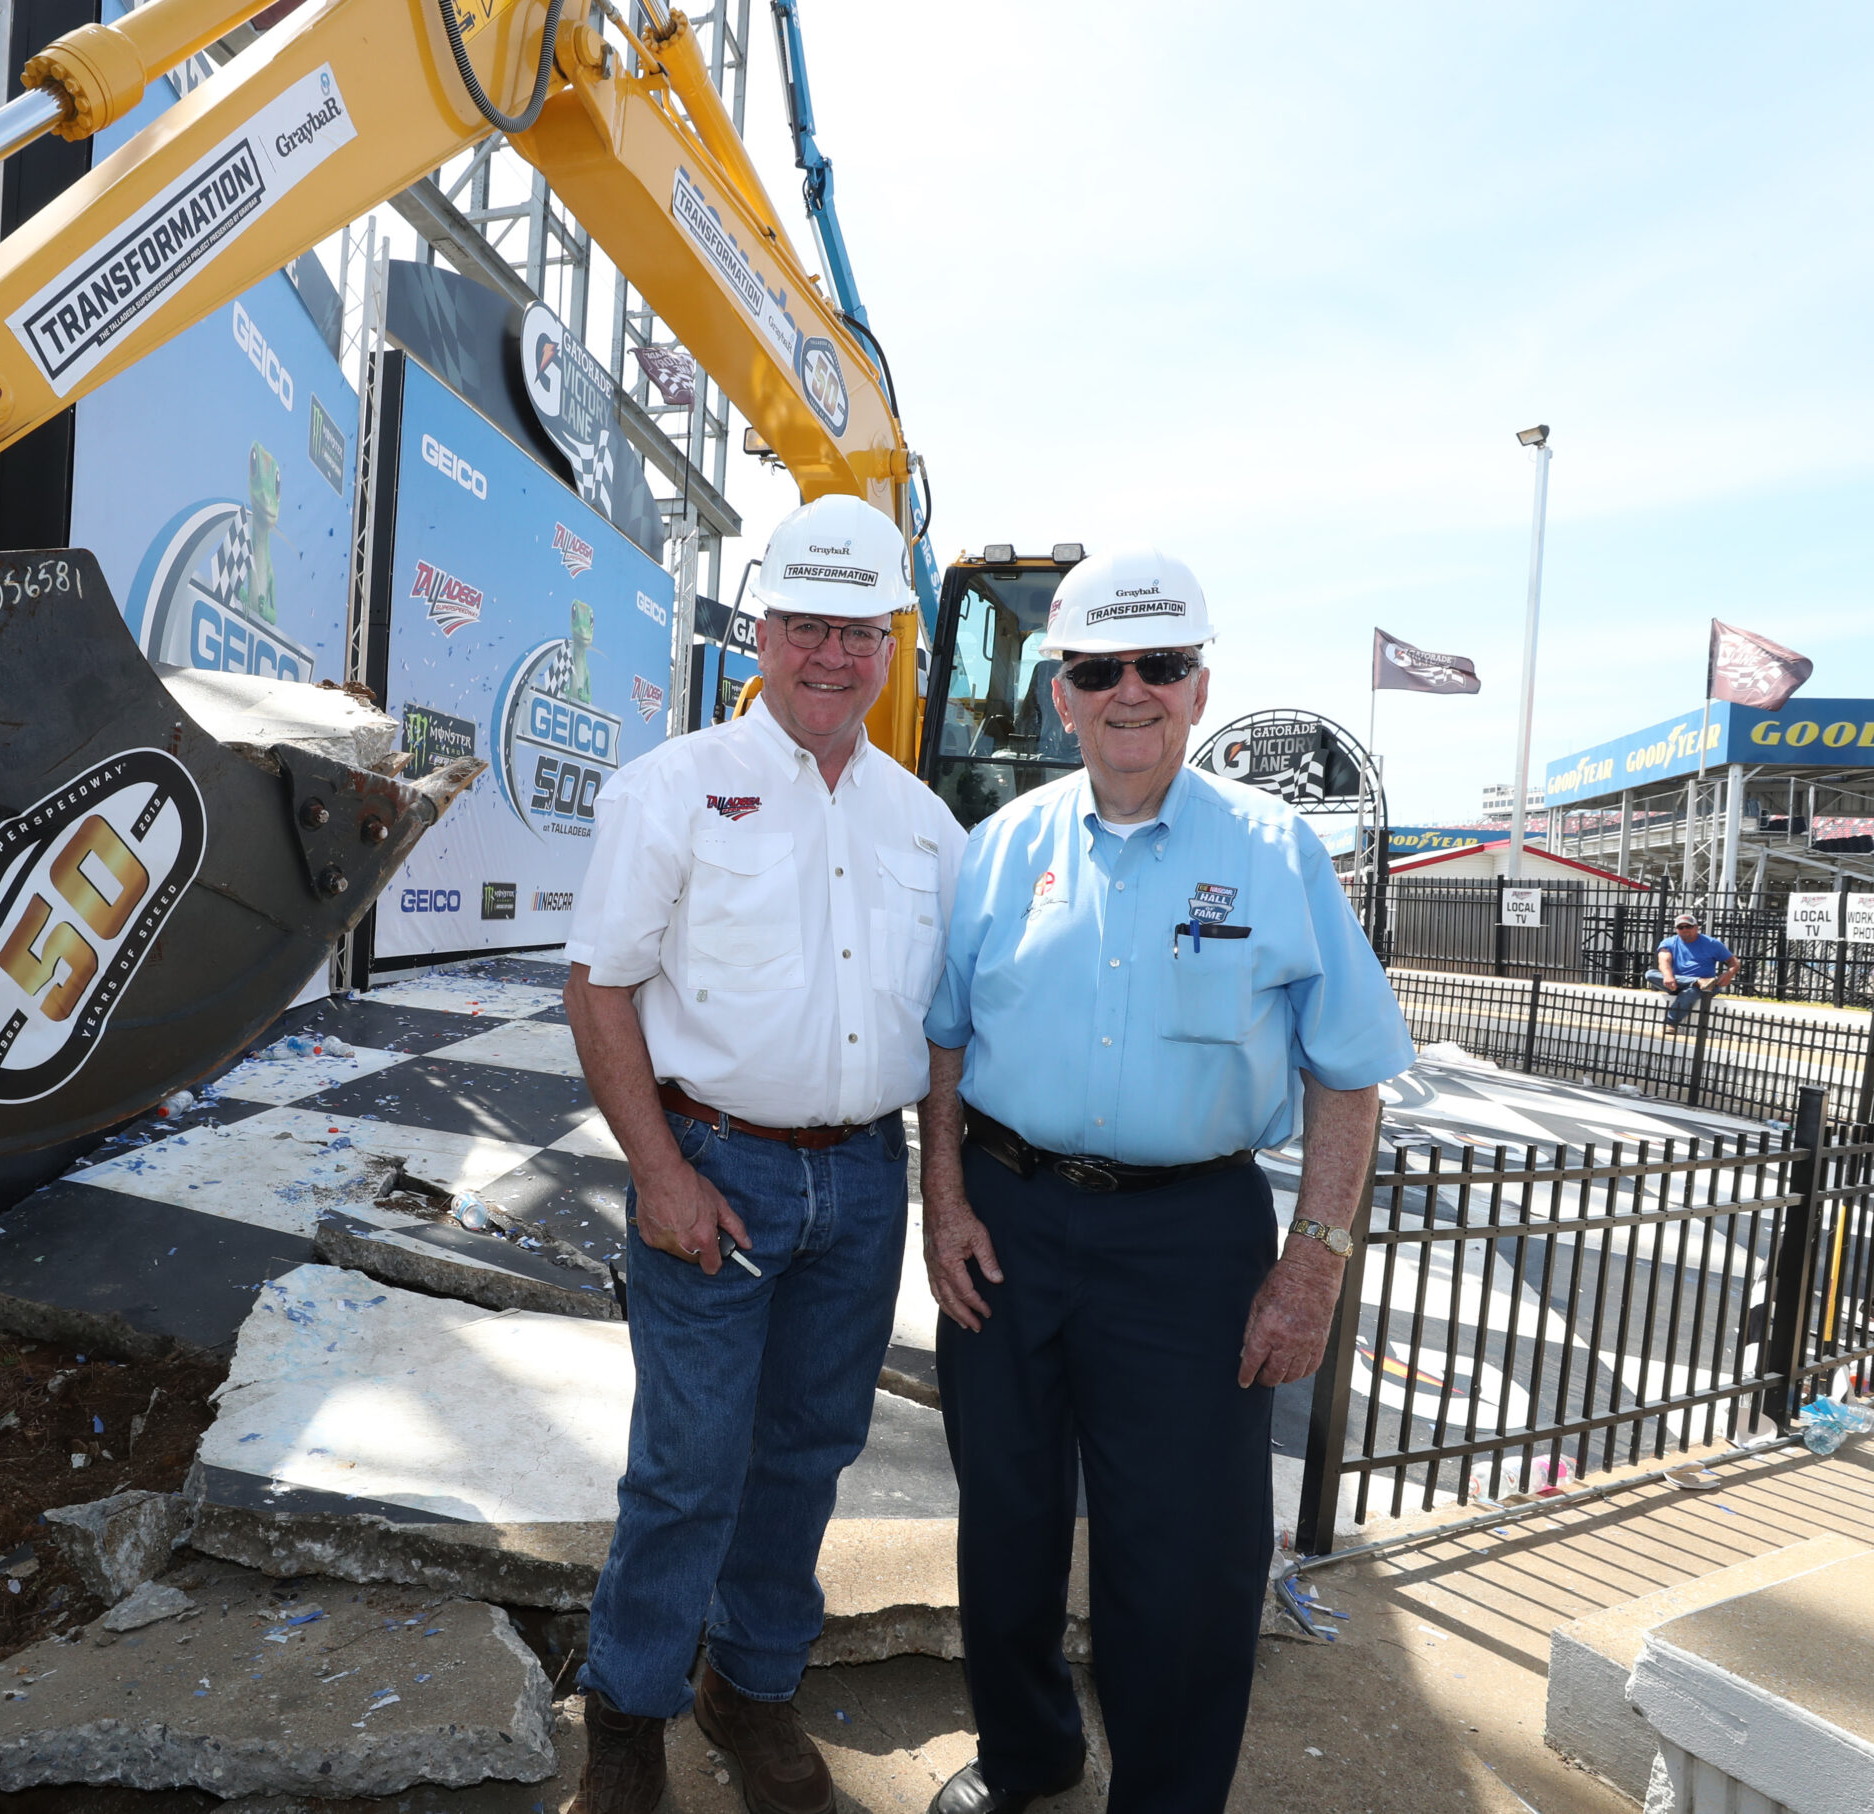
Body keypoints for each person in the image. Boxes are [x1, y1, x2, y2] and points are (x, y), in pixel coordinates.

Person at [918, 549, 1414, 1814]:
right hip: (1007, 1217)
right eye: (1098, 668)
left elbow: (1348, 1073)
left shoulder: (1276, 850)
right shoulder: (997, 849)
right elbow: (945, 1044)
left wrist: (1312, 1262)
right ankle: (1027, 1753)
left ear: (1199, 687)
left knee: (1186, 1550)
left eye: (1160, 664)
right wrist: (946, 1204)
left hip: (1190, 1237)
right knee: (1006, 1517)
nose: (1128, 690)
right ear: (1060, 694)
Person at [562, 494, 968, 1814]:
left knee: (809, 1449)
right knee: (687, 1463)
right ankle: (628, 1709)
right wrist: (659, 1171)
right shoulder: (671, 789)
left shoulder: (926, 826)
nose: (832, 655)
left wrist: (941, 1194)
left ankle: (749, 1687)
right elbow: (599, 987)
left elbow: (947, 1033)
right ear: (761, 629)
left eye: (861, 631)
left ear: (893, 645)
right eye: (807, 626)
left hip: (862, 1178)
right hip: (714, 1168)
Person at [1646, 911, 1739, 1030]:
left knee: (1691, 992)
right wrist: (1668, 976)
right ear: (1676, 929)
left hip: (1704, 988)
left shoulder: (1712, 943)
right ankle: (1697, 981)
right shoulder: (1669, 942)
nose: (1685, 929)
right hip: (1675, 984)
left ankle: (1670, 1023)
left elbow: (1733, 961)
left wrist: (1729, 974)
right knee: (1650, 974)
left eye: (1688, 926)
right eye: (1680, 927)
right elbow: (1664, 960)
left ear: (1696, 927)